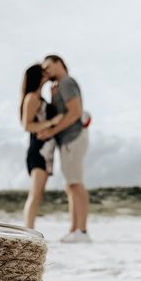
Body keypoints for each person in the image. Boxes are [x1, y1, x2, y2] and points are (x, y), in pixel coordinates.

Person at [38, 55, 91, 243]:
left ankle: (82, 231)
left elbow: (75, 112)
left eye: (48, 67)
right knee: (70, 185)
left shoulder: (66, 82)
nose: (46, 71)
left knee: (75, 183)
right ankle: (74, 229)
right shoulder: (60, 86)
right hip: (68, 139)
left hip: (73, 137)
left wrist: (52, 131)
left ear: (59, 63)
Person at [20, 64, 63, 229]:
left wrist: (53, 98)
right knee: (35, 194)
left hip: (46, 152)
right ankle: (28, 230)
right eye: (44, 72)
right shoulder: (31, 97)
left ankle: (29, 229)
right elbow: (27, 125)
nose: (47, 74)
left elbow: (43, 116)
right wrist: (52, 122)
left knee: (38, 194)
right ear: (38, 77)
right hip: (38, 150)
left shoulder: (40, 98)